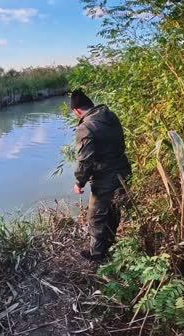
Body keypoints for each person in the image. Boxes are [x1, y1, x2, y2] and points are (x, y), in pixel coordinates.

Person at [70, 89, 131, 261]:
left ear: (77, 111)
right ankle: (109, 245)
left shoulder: (86, 126)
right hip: (124, 170)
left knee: (96, 217)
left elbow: (85, 160)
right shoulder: (110, 116)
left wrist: (79, 182)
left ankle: (97, 255)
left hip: (105, 178)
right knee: (113, 210)